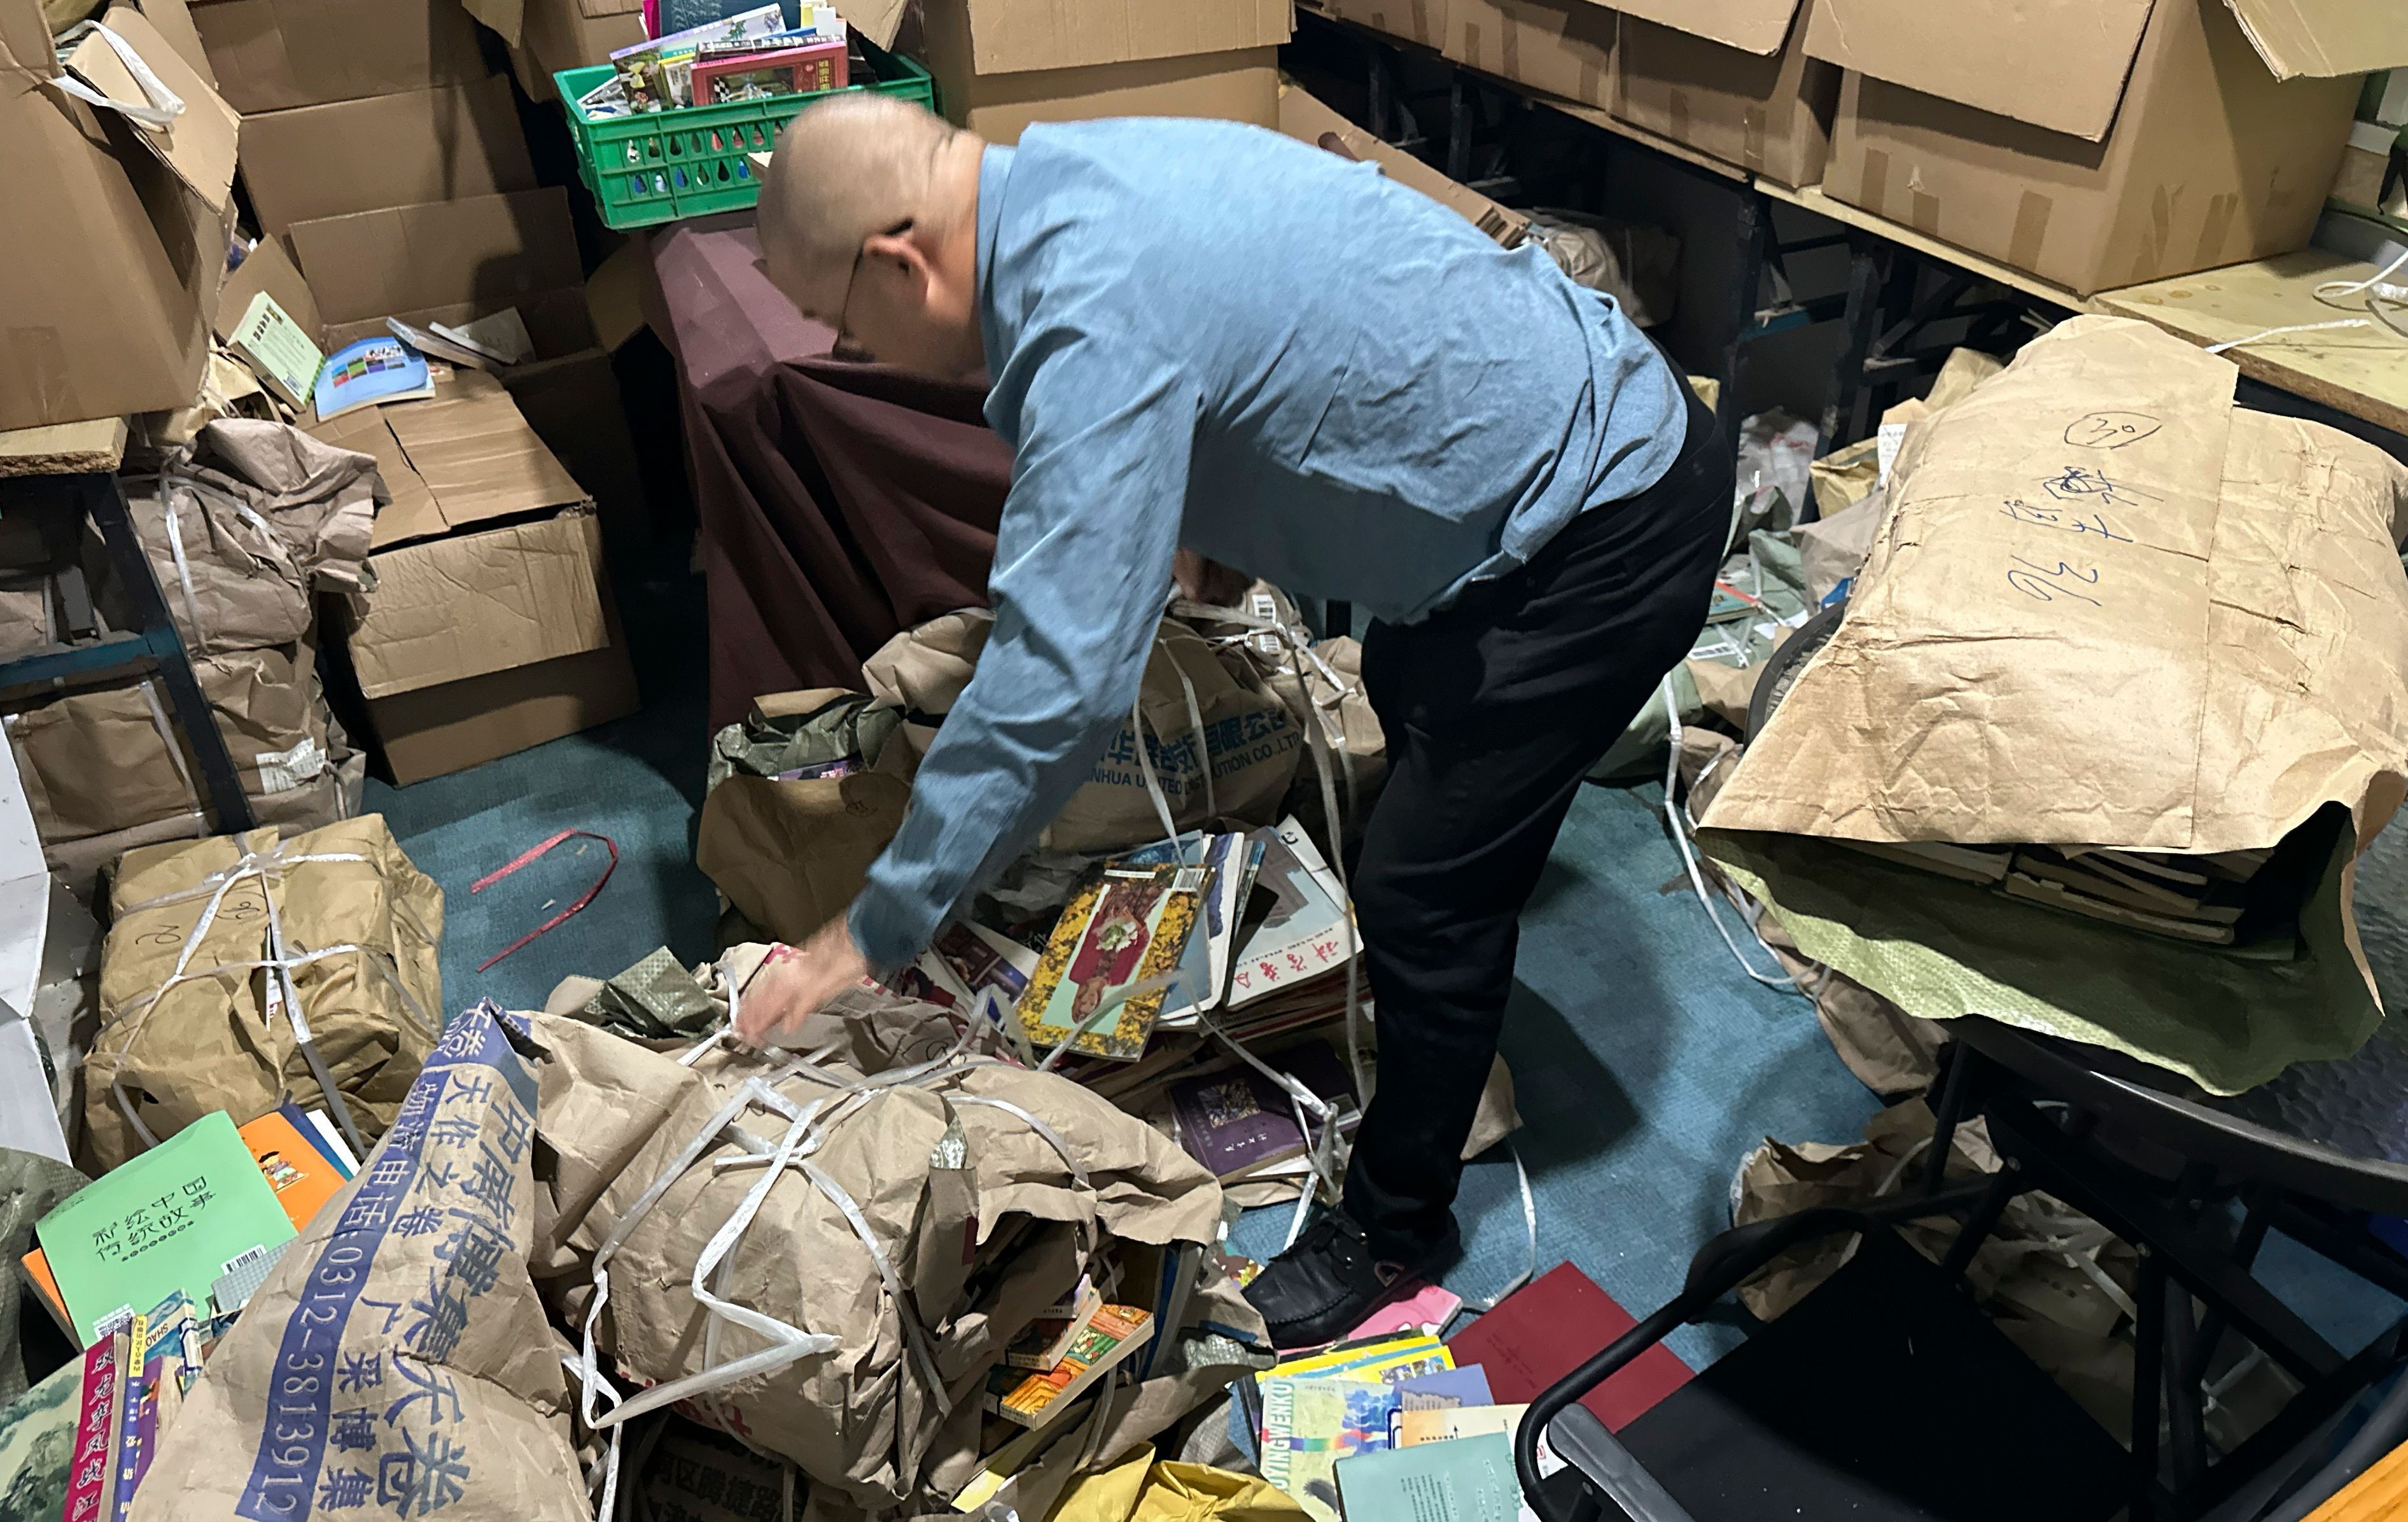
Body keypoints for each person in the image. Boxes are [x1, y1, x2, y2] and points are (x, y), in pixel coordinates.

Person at [739, 95, 1731, 1349]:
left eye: (844, 326)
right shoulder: (1065, 175)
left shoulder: (1085, 316)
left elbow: (1055, 686)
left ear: (899, 261)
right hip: (1557, 423)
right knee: (1418, 693)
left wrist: (868, 934)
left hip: (1610, 517)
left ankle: (1394, 1224)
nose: (862, 354)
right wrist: (1202, 511)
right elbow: (1257, 307)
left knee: (1424, 886)